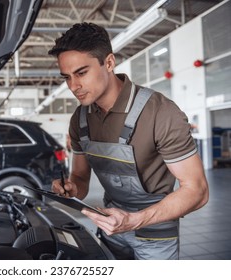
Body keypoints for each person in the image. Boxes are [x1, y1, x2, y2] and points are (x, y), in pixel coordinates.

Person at [49, 22, 209, 260]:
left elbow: (197, 191)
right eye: (67, 77)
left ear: (109, 63)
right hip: (110, 225)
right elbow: (80, 179)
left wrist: (135, 220)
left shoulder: (160, 112)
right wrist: (72, 189)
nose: (73, 86)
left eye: (81, 73)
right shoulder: (80, 119)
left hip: (155, 233)